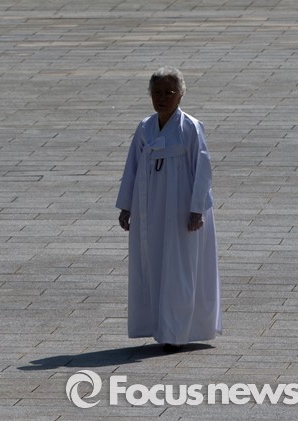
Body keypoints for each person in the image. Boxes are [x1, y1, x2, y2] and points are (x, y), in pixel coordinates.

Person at [116, 66, 222, 353]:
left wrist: (197, 209)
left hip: (180, 209)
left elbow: (202, 170)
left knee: (179, 268)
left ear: (181, 95)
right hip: (150, 208)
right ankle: (160, 326)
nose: (162, 98)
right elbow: (132, 167)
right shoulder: (145, 127)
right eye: (157, 93)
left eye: (169, 92)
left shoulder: (190, 127)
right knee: (153, 265)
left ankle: (176, 331)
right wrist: (126, 206)